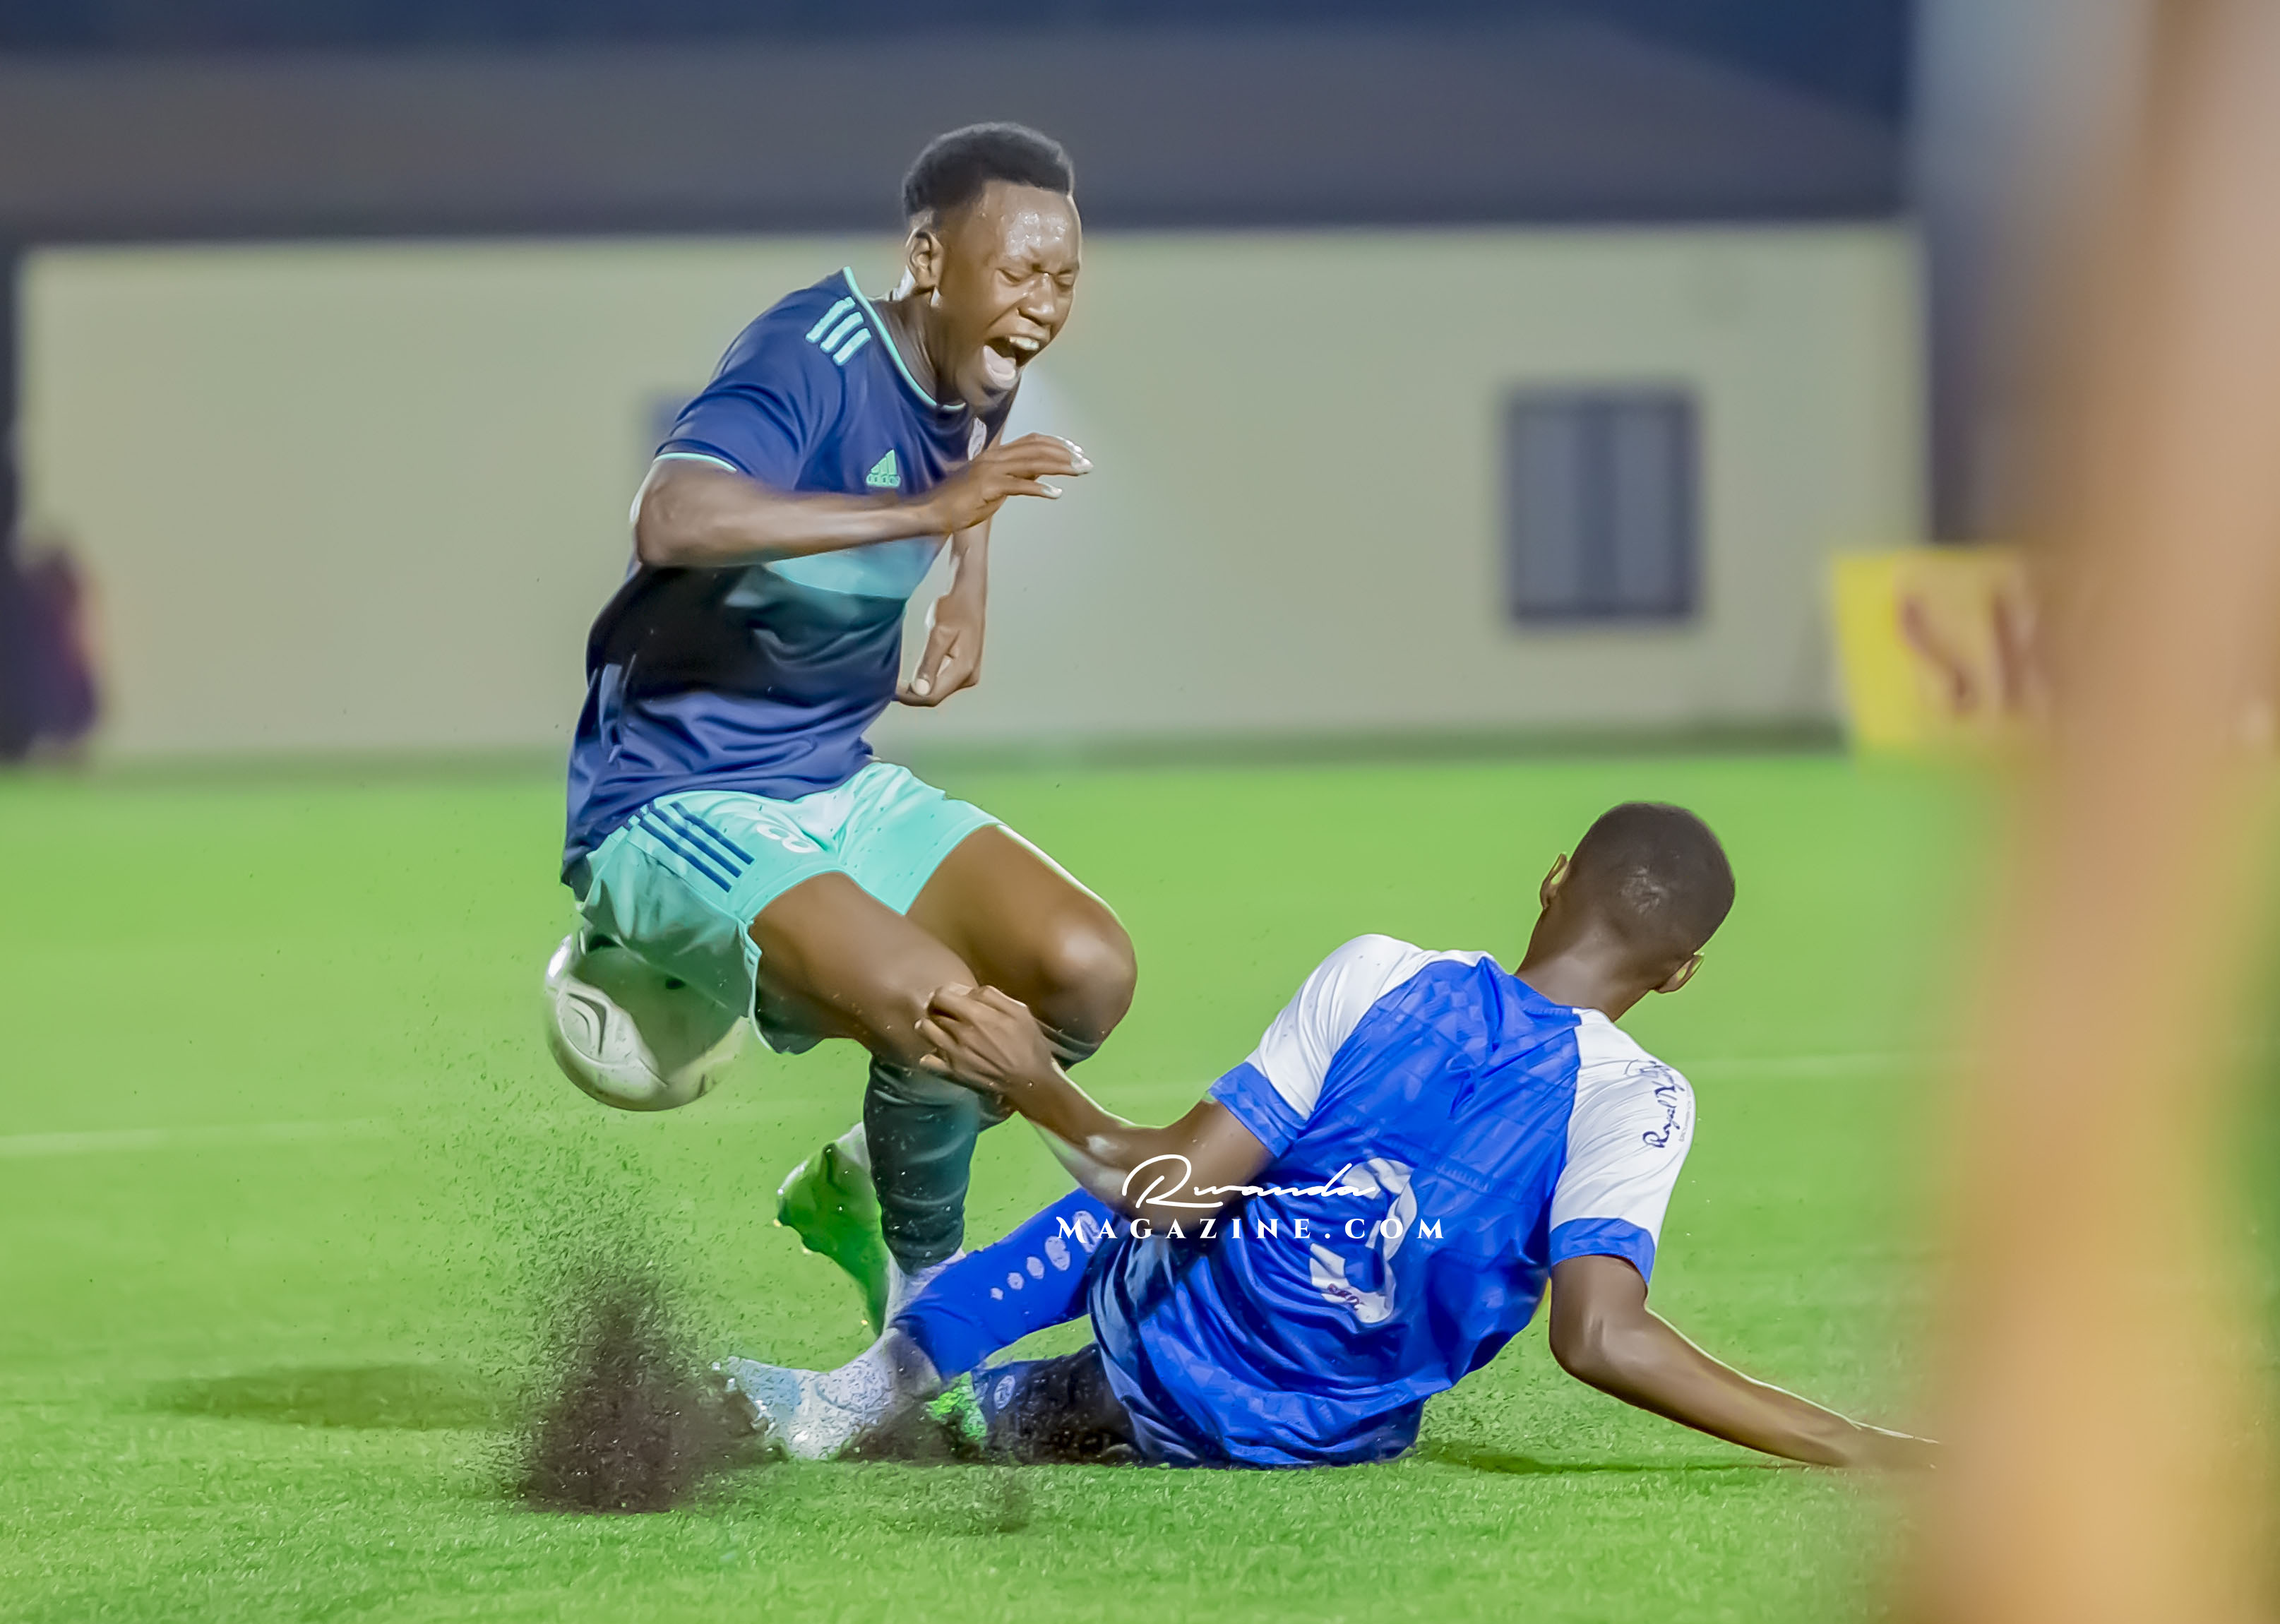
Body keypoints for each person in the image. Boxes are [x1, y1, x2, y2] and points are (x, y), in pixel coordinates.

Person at [723, 802, 1933, 1470]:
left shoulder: (1380, 975)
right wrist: (1857, 1445)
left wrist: (1039, 1084)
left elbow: (1167, 1194)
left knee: (1120, 1213)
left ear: (1554, 876)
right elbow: (1601, 1339)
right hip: (1315, 1438)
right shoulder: (1641, 1100)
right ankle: (964, 1390)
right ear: (1679, 973)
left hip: (1169, 1340)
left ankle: (866, 1388)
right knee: (1027, 1407)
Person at [545, 122, 1136, 1325]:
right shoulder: (811, 352)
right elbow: (672, 517)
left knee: (1083, 972)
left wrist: (967, 582)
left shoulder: (979, 361)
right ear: (927, 261)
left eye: (1065, 279)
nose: (1042, 305)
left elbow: (970, 450)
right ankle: (920, 1334)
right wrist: (927, 514)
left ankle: (860, 1183)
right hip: (674, 796)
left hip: (831, 777)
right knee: (943, 1012)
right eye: (1019, 273)